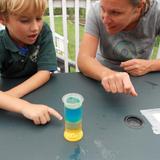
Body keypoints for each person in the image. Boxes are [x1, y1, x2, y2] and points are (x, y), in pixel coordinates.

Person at [78, 0, 160, 96]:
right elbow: (84, 59)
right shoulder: (95, 10)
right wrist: (107, 74)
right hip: (100, 76)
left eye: (115, 12)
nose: (105, 20)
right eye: (102, 9)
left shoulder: (157, 13)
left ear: (139, 7)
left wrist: (150, 65)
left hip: (141, 79)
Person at [0, 0, 63, 124]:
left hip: (43, 91)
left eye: (39, 18)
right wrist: (24, 106)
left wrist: (10, 96)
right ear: (3, 19)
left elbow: (45, 72)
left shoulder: (43, 31)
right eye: (24, 20)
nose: (35, 28)